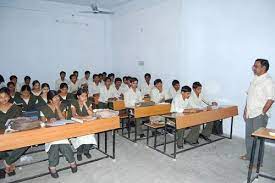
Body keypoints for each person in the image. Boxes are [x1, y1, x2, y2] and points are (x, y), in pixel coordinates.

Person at [241, 59, 274, 167]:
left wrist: (263, 112)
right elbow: (249, 95)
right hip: (250, 113)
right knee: (249, 136)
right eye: (254, 65)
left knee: (258, 139)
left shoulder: (268, 81)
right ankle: (249, 156)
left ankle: (257, 162)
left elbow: (271, 99)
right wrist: (245, 109)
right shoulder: (255, 78)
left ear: (263, 68)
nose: (253, 67)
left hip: (259, 115)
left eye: (256, 66)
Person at [40, 90, 77, 178]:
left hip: (61, 131)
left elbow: (63, 119)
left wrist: (57, 108)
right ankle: (52, 166)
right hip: (50, 133)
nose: (57, 98)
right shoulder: (43, 108)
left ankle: (71, 161)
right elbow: (42, 122)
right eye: (55, 97)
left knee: (63, 143)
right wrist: (48, 120)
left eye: (57, 96)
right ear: (50, 100)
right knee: (55, 145)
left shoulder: (62, 106)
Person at [0, 87, 29, 176]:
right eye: (0, 97)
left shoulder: (15, 107)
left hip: (14, 133)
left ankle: (8, 162)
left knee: (27, 142)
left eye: (5, 96)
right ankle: (9, 162)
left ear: (9, 97)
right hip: (1, 135)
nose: (3, 99)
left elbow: (20, 121)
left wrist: (15, 130)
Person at [70, 88, 97, 161]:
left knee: (89, 136)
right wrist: (85, 117)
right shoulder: (74, 103)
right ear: (78, 96)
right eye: (82, 96)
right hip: (77, 123)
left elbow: (91, 114)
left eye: (86, 96)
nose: (84, 98)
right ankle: (79, 152)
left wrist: (85, 104)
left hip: (87, 123)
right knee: (80, 137)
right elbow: (74, 115)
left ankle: (86, 151)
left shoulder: (88, 102)